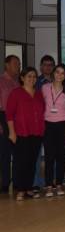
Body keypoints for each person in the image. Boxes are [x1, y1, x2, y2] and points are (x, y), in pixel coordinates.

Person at [6, 67, 45, 201]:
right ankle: (20, 189)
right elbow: (9, 115)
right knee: (21, 162)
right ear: (22, 78)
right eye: (29, 76)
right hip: (21, 132)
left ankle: (29, 188)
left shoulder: (39, 94)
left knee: (32, 162)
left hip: (37, 132)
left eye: (34, 76)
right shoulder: (16, 93)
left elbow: (42, 111)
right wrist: (12, 132)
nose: (32, 79)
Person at [41, 64, 65, 197]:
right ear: (53, 73)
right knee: (49, 157)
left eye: (62, 73)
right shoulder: (44, 88)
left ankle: (59, 184)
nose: (59, 75)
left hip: (63, 125)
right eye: (57, 72)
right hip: (48, 125)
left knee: (61, 156)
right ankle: (49, 186)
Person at [0, 55, 20, 193]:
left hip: (18, 119)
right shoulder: (1, 81)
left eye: (19, 64)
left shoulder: (18, 82)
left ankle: (18, 182)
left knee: (18, 152)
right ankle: (5, 183)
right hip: (3, 118)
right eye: (15, 63)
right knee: (4, 153)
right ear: (7, 65)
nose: (18, 66)